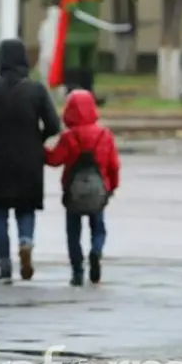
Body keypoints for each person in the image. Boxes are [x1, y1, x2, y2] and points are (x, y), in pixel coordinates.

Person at [0, 38, 61, 284]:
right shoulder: (37, 90)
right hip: (29, 160)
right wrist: (37, 139)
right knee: (26, 208)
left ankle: (3, 266)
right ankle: (26, 242)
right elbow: (54, 125)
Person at [44, 89, 120, 286]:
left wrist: (40, 147)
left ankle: (77, 272)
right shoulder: (105, 135)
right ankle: (96, 250)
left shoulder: (69, 137)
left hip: (73, 193)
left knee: (73, 233)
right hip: (98, 189)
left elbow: (54, 160)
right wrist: (112, 187)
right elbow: (113, 165)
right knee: (99, 228)